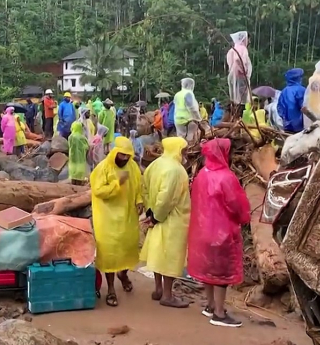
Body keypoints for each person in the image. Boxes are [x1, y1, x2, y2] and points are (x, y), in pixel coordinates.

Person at [188, 138, 251, 327]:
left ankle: (210, 305)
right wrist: (244, 218)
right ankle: (219, 313)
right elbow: (236, 205)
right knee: (222, 275)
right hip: (222, 231)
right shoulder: (226, 177)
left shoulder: (202, 174)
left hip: (203, 230)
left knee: (209, 270)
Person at [91, 137, 143, 307]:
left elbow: (138, 185)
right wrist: (117, 184)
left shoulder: (133, 167)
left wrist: (139, 200)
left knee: (128, 248)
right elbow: (98, 191)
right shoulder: (103, 168)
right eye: (122, 155)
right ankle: (111, 289)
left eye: (128, 156)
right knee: (110, 254)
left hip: (128, 216)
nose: (125, 159)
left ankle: (123, 274)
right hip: (107, 218)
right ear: (114, 152)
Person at [140, 137, 191, 309]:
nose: (185, 153)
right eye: (183, 150)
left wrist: (150, 212)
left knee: (158, 253)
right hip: (172, 218)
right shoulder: (175, 170)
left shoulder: (156, 164)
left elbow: (144, 187)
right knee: (170, 256)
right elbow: (167, 198)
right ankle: (168, 295)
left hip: (156, 215)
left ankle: (158, 289)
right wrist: (157, 216)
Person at [277, 68, 306, 133]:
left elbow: (279, 108)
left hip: (287, 126)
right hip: (300, 126)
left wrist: (285, 119)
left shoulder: (284, 91)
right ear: (298, 78)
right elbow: (304, 107)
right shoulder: (301, 90)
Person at [227, 31, 252, 105]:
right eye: (248, 39)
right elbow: (238, 59)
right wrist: (243, 70)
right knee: (242, 100)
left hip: (232, 77)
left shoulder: (232, 50)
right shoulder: (242, 48)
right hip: (240, 77)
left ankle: (234, 113)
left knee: (234, 99)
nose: (249, 42)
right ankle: (240, 114)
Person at [174, 78, 202, 142]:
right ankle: (190, 149)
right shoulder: (188, 93)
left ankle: (180, 150)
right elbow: (192, 108)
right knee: (190, 137)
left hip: (177, 120)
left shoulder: (177, 94)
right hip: (187, 120)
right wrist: (198, 119)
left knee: (180, 138)